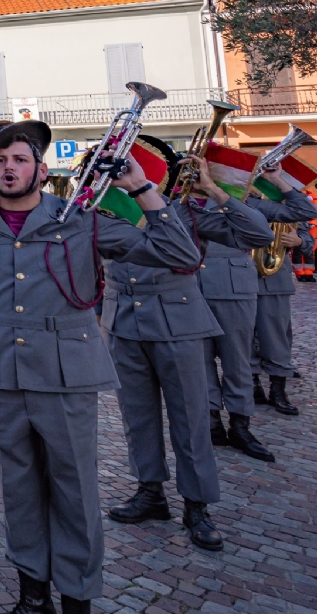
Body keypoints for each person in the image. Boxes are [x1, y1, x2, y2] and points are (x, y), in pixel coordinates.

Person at [0, 122, 200, 614]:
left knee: (74, 486)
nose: (9, 168)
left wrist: (141, 188)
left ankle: (77, 595)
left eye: (19, 159)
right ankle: (32, 591)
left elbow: (180, 254)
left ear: (41, 170)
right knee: (18, 487)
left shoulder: (80, 218)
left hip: (66, 373)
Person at [100, 137, 272, 552]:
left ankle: (196, 505)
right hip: (124, 323)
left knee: (191, 419)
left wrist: (213, 191)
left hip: (178, 323)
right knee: (137, 417)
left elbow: (259, 234)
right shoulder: (100, 211)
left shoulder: (184, 210)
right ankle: (150, 491)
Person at [194, 155, 317, 462]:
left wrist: (277, 179)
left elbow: (305, 210)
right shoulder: (181, 203)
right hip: (191, 291)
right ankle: (211, 423)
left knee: (237, 362)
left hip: (235, 290)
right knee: (200, 362)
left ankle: (240, 424)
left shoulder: (247, 203)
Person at [255, 221, 314, 414]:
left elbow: (306, 235)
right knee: (242, 336)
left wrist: (298, 241)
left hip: (274, 277)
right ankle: (251, 384)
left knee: (276, 336)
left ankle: (277, 389)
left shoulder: (282, 202)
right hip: (238, 276)